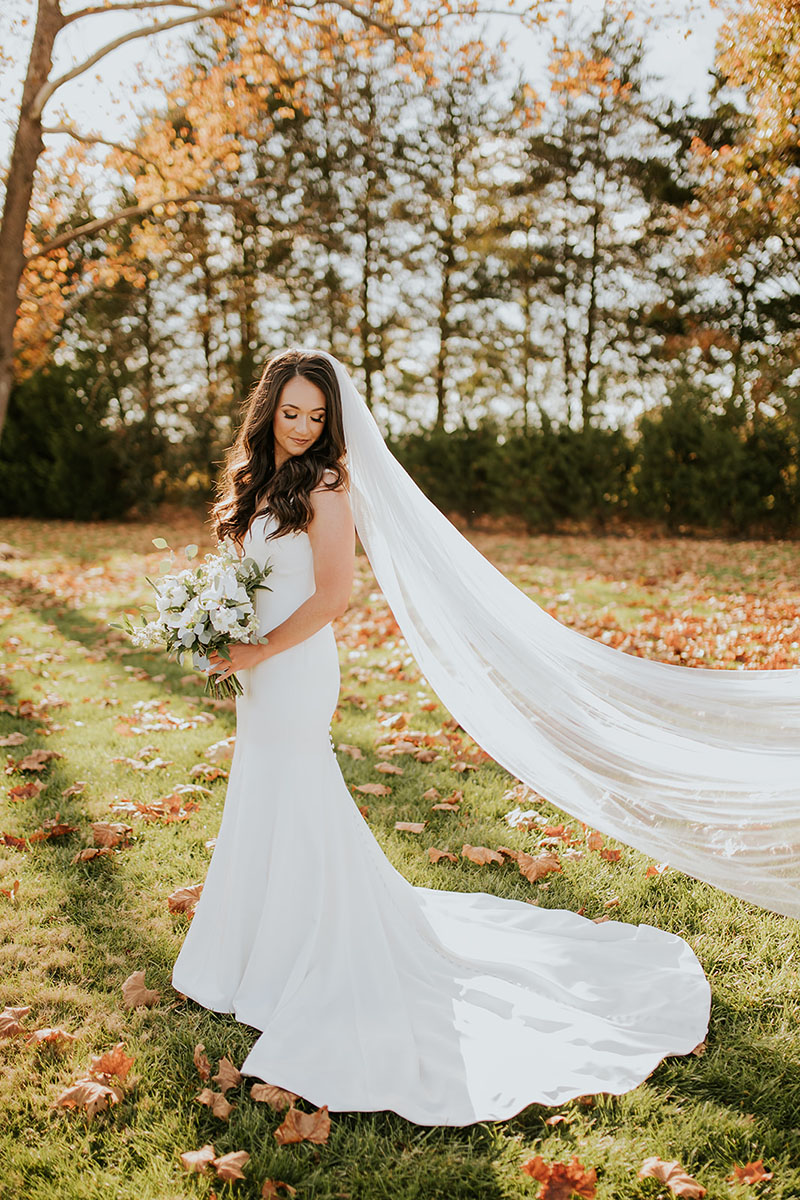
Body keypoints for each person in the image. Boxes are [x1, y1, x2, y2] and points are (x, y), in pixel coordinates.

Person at [170, 346, 711, 1126]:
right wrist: (220, 632)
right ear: (267, 411)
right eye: (289, 412)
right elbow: (247, 577)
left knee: (297, 792)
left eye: (315, 416)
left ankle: (303, 949)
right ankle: (252, 948)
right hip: (260, 669)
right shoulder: (257, 480)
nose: (301, 426)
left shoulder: (327, 485)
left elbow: (333, 597)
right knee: (265, 795)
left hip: (294, 666)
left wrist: (255, 648)